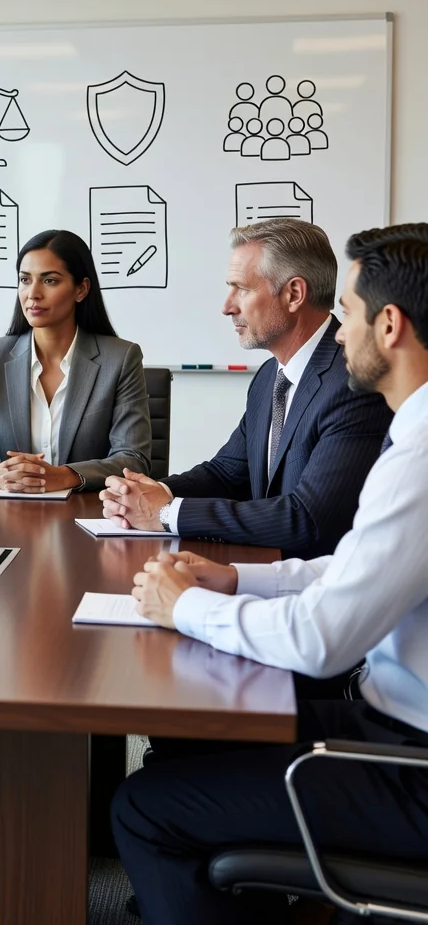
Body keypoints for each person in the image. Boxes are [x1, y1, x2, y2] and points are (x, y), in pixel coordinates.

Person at [114, 222, 428, 925]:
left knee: (142, 809)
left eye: (345, 311)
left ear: (390, 324)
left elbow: (321, 641)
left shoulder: (419, 454)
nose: (339, 332)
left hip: (411, 765)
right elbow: (351, 568)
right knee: (181, 749)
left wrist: (185, 607)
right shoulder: (414, 431)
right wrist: (237, 582)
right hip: (386, 719)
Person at [101, 218, 391, 560]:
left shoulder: (354, 381)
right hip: (267, 570)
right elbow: (227, 473)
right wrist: (150, 491)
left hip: (316, 590)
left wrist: (166, 513)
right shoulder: (270, 376)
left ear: (294, 294)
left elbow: (308, 519)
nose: (228, 306)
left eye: (242, 288)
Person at [0, 228, 151, 493]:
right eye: (25, 280)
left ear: (81, 289)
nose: (33, 293)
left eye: (50, 281)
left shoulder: (121, 358)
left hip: (89, 516)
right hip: (8, 517)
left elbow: (133, 458)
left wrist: (64, 476)